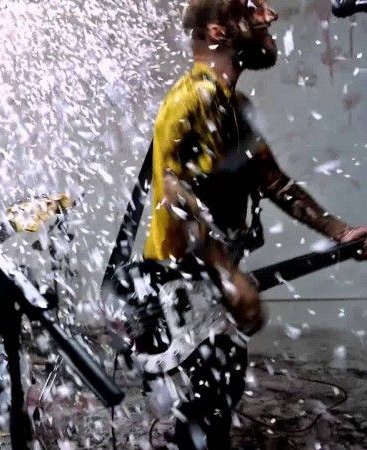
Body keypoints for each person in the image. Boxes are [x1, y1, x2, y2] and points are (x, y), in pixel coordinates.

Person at [142, 0, 367, 448]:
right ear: (218, 32)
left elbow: (273, 181)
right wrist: (226, 274)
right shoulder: (195, 97)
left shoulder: (234, 104)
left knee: (218, 405)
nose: (270, 16)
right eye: (253, 8)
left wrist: (340, 233)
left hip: (210, 284)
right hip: (178, 290)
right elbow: (175, 196)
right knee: (202, 419)